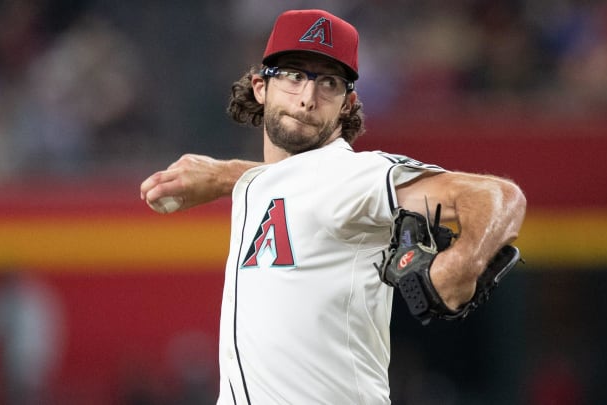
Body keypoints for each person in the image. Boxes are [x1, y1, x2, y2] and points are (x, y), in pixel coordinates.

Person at [140, 9, 526, 405]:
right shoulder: (266, 184)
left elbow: (498, 197)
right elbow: (289, 181)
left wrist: (463, 262)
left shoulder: (353, 176)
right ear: (260, 86)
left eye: (328, 82)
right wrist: (225, 176)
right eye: (294, 76)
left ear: (347, 103)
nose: (308, 98)